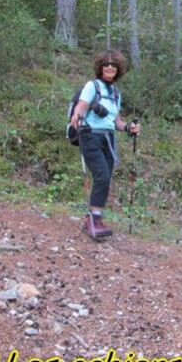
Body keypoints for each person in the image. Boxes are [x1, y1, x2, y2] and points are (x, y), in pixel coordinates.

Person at [70, 50, 141, 239]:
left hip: (108, 138)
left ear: (118, 69)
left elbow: (116, 121)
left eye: (114, 65)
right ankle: (94, 219)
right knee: (102, 175)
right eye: (106, 64)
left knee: (105, 177)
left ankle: (93, 219)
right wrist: (76, 117)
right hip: (90, 135)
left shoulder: (115, 94)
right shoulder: (92, 86)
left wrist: (128, 128)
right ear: (100, 67)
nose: (110, 67)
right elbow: (81, 107)